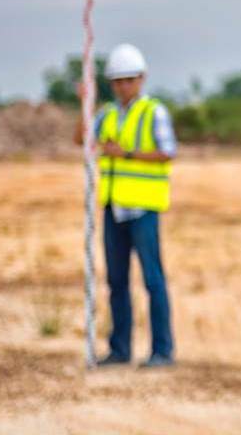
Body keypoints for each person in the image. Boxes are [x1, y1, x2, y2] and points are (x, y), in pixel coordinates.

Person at [76, 43, 176, 368]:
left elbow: (167, 152)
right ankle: (119, 349)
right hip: (113, 207)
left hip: (144, 209)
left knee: (152, 280)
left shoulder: (153, 112)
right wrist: (84, 105)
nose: (123, 86)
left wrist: (127, 154)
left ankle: (162, 350)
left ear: (141, 79)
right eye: (117, 81)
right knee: (116, 281)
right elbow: (82, 140)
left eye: (128, 79)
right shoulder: (105, 113)